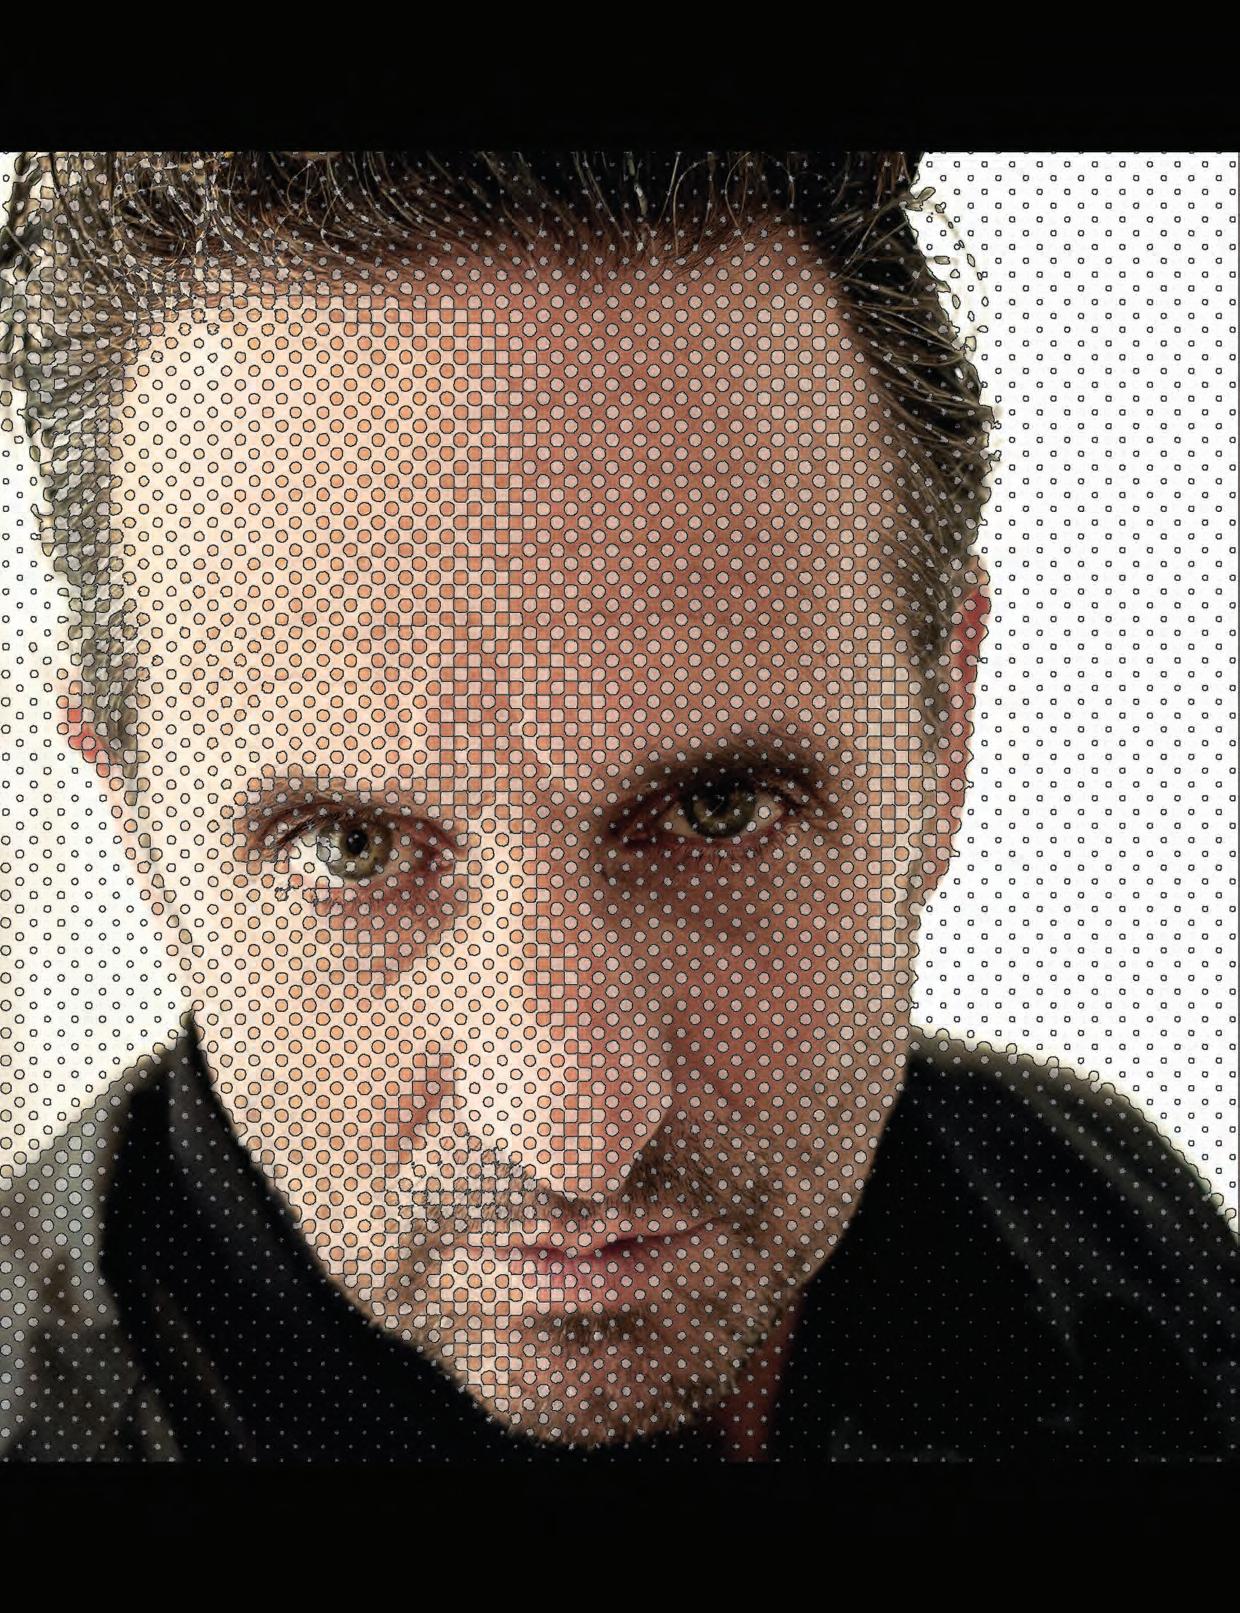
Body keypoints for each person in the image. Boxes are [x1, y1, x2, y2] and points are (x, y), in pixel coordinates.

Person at [0, 150, 1234, 1463]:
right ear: (130, 812)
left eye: (720, 810)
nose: (574, 1132)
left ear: (945, 732)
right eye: (352, 850)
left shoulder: (1105, 1234)